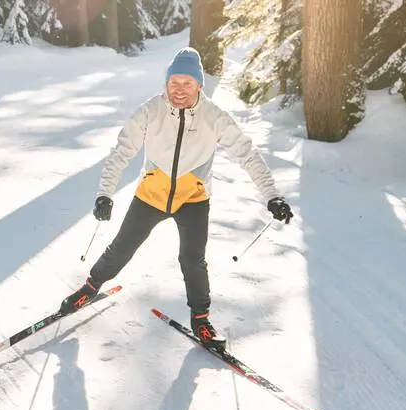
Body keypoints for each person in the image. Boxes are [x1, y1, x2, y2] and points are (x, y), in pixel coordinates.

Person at [60, 47, 293, 351]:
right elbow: (121, 153)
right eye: (174, 83)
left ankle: (201, 320)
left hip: (193, 200)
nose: (179, 90)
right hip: (150, 195)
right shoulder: (150, 111)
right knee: (121, 248)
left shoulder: (214, 117)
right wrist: (105, 194)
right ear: (166, 83)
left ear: (199, 85)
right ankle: (90, 288)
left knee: (193, 261)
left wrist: (272, 196)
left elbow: (247, 154)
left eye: (187, 83)